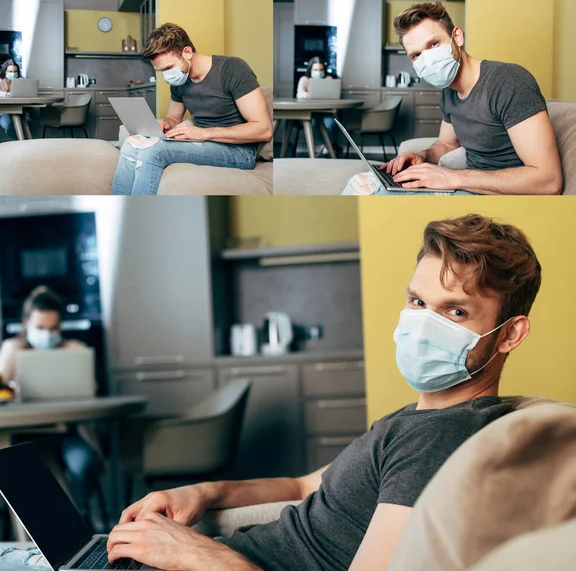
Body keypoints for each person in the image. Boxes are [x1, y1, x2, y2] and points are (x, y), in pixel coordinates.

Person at [90, 214, 538, 571]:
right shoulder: (417, 419)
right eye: (418, 303)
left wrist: (193, 554)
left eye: (455, 311)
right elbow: (303, 485)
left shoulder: (439, 438)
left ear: (510, 334)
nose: (423, 325)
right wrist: (204, 492)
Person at [343, 2, 563, 196]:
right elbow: (446, 144)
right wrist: (422, 155)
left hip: (499, 196)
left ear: (457, 37)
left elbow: (548, 180)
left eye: (433, 44)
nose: (426, 59)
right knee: (363, 183)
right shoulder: (448, 91)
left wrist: (452, 178)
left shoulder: (509, 82)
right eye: (416, 55)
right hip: (468, 188)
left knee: (364, 189)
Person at [110, 23, 273, 196]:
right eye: (160, 72)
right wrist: (165, 124)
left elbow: (263, 129)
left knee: (153, 151)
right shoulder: (179, 80)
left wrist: (204, 133)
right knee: (130, 144)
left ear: (187, 52)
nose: (166, 76)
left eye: (167, 68)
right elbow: (173, 117)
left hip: (239, 152)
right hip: (204, 143)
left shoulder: (232, 69)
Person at [0, 286, 105, 527]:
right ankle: (46, 527)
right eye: (40, 328)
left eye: (53, 328)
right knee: (27, 473)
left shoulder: (75, 350)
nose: (47, 334)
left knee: (85, 464)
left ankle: (81, 518)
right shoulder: (12, 349)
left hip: (69, 433)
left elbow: (91, 391)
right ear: (26, 322)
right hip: (24, 435)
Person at [296, 56, 339, 157]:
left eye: (321, 70)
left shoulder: (329, 79)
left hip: (326, 111)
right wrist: (310, 94)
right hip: (310, 112)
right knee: (314, 124)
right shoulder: (304, 80)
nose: (318, 72)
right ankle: (322, 147)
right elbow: (299, 94)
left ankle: (327, 146)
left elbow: (334, 94)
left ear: (324, 70)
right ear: (310, 69)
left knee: (332, 124)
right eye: (315, 70)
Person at [0, 59, 30, 139]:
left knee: (28, 122)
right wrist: (9, 94)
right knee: (8, 125)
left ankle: (21, 144)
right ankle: (19, 144)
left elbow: (26, 94)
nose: (13, 73)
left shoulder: (21, 80)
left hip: (20, 110)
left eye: (15, 71)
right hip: (3, 112)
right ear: (5, 71)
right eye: (10, 71)